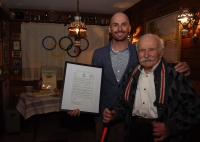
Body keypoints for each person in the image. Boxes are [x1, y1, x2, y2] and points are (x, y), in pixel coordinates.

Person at [68, 12, 191, 142]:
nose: (119, 29)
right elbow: (92, 84)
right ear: (110, 29)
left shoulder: (139, 51)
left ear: (129, 28)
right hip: (103, 116)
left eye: (123, 25)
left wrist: (181, 67)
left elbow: (159, 65)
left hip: (129, 119)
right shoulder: (99, 54)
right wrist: (78, 103)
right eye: (115, 25)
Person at [103, 33, 200, 142]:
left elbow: (194, 109)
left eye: (151, 50)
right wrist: (115, 113)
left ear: (161, 52)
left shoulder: (176, 75)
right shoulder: (131, 74)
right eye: (142, 50)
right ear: (137, 53)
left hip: (164, 134)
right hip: (133, 131)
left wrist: (170, 127)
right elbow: (125, 105)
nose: (146, 55)